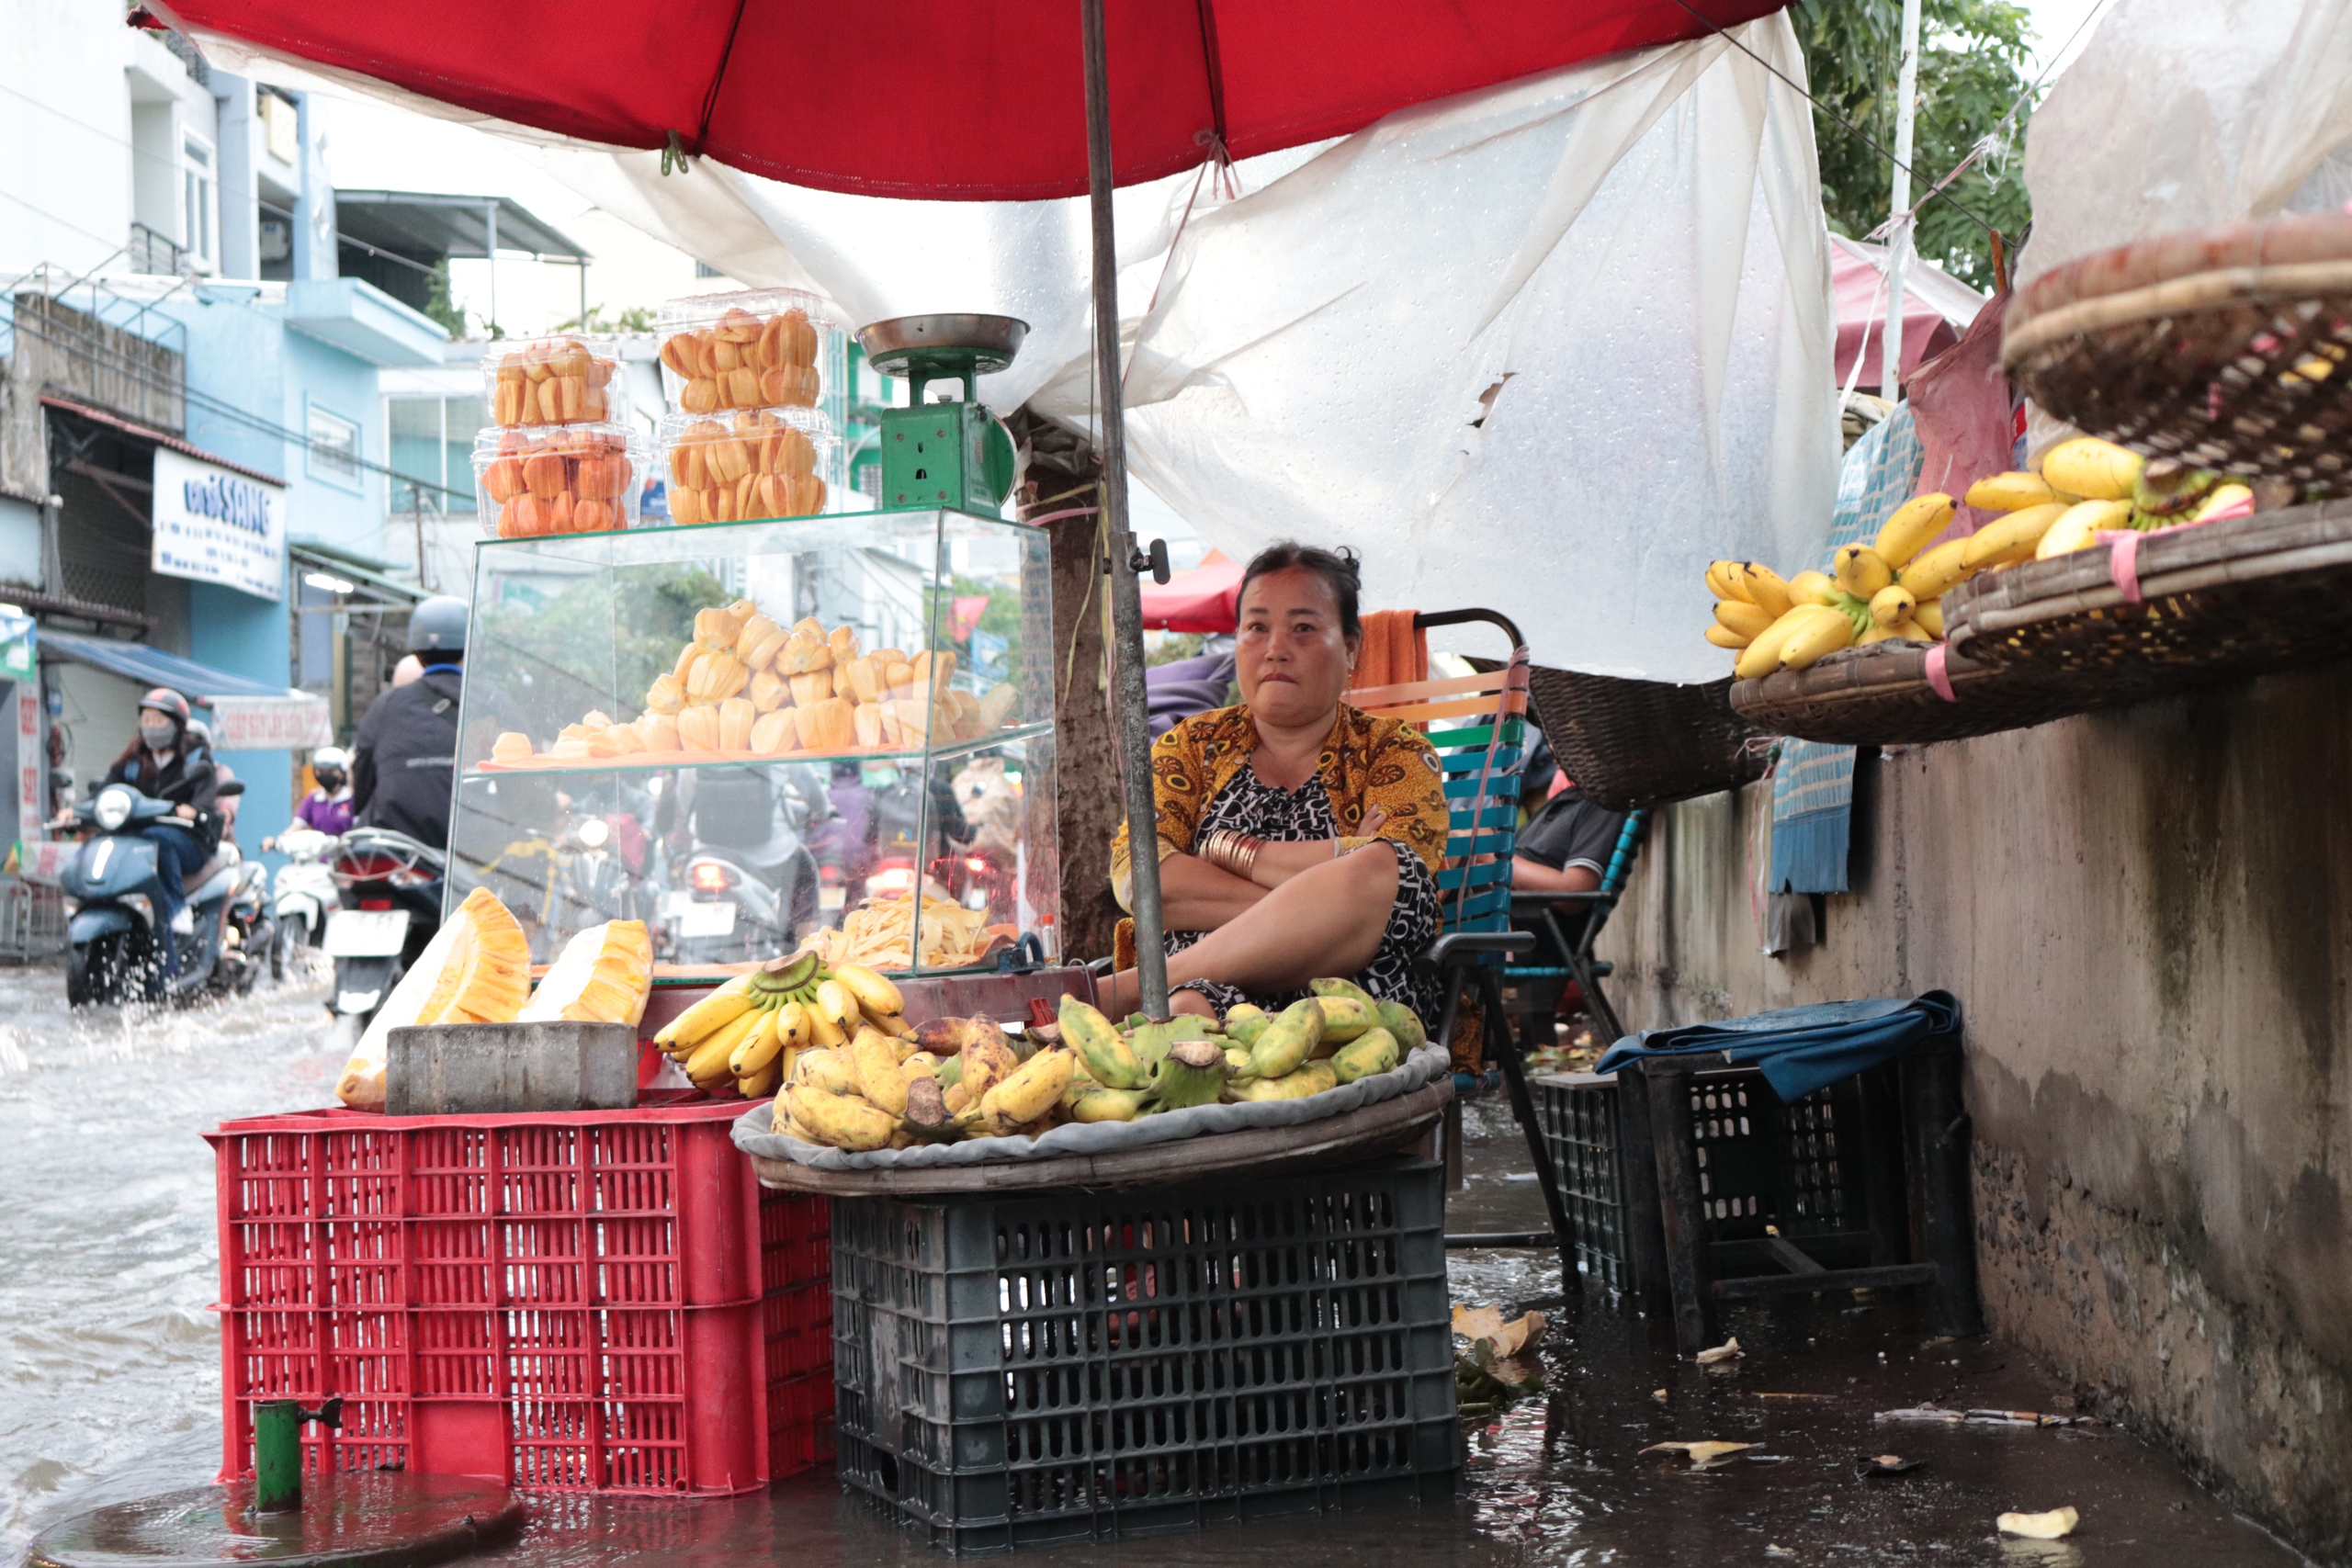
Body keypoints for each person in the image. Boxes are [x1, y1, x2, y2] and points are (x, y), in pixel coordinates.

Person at [1103, 542, 1447, 1021]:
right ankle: (1142, 990)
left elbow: (1390, 887)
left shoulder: (1395, 752)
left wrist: (1229, 850)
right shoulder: (1191, 745)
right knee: (1188, 1015)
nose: (1276, 649)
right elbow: (1141, 881)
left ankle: (1117, 992)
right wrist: (1323, 897)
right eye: (1257, 627)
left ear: (1350, 649)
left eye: (1303, 628)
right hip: (1203, 989)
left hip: (1352, 997)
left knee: (1387, 869)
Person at [97, 688, 220, 974]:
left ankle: (177, 911)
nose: (151, 727)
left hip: (189, 840)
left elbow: (205, 795)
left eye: (159, 720)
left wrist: (192, 808)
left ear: (177, 724)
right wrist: (78, 811)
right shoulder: (131, 762)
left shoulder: (195, 759)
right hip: (139, 841)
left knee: (158, 842)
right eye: (147, 720)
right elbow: (107, 790)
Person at [352, 596, 466, 851]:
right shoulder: (491, 701)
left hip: (396, 854)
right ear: (473, 646)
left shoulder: (385, 705)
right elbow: (522, 774)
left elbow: (363, 775)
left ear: (416, 651)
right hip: (474, 852)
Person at [1511, 777, 1629, 896]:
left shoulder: (1603, 802)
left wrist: (1497, 859)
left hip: (1519, 909)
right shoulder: (1563, 798)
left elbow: (1576, 890)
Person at [266, 746, 354, 848]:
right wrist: (278, 840)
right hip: (317, 859)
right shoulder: (313, 799)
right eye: (320, 772)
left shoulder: (352, 800)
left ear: (342, 773)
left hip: (346, 859)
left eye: (330, 772)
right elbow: (297, 826)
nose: (325, 775)